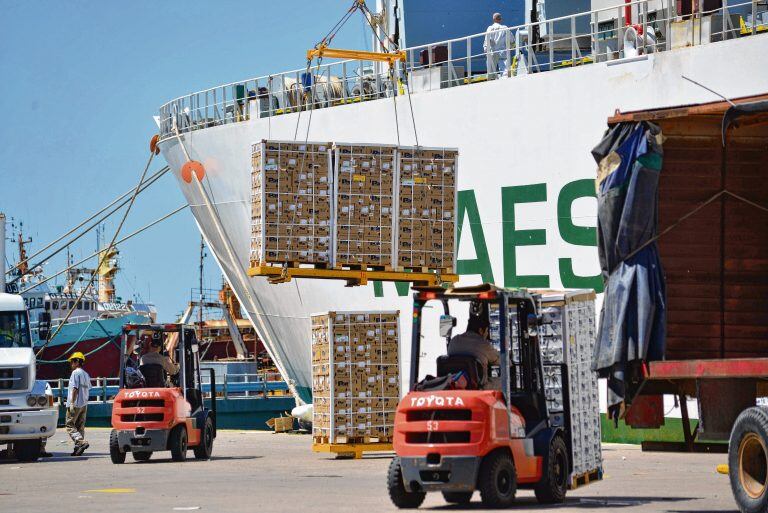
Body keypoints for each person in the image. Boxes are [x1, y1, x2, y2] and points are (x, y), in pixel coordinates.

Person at [447, 305, 500, 389]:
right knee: (503, 382)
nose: (486, 335)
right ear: (480, 330)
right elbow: (499, 360)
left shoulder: (454, 340)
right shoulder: (482, 344)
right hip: (478, 387)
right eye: (486, 331)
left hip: (455, 383)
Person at [66, 352, 91, 456]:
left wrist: (72, 403)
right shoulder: (86, 374)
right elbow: (88, 388)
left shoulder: (75, 373)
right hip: (84, 404)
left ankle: (81, 442)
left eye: (72, 361)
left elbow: (75, 388)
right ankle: (78, 449)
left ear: (77, 361)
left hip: (75, 404)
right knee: (80, 426)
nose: (71, 364)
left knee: (69, 425)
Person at [484, 12, 510, 78]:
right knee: (505, 72)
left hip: (493, 52)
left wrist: (486, 49)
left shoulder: (489, 28)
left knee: (491, 73)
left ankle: (491, 82)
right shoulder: (505, 28)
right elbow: (512, 40)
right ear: (500, 19)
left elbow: (487, 41)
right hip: (503, 52)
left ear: (493, 19)